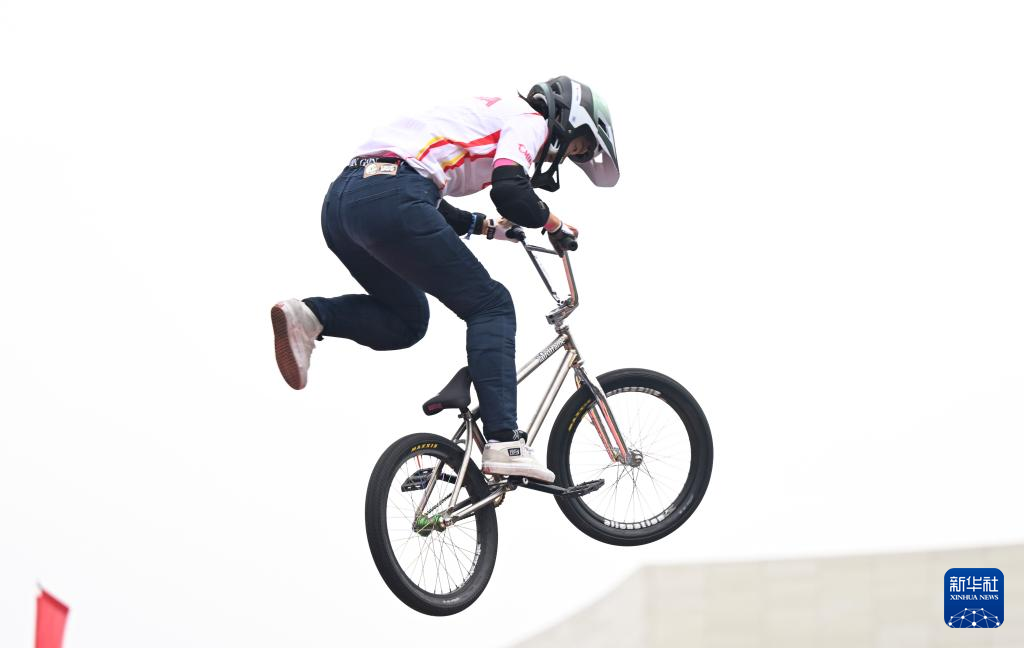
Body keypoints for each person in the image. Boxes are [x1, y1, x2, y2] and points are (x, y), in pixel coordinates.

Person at [271, 76, 619, 483]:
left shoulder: (487, 113)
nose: (566, 156)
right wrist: (554, 224)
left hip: (343, 205)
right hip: (393, 196)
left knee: (407, 321)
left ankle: (311, 316)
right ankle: (504, 441)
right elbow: (510, 191)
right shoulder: (531, 121)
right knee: (492, 305)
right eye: (576, 147)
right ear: (568, 120)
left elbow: (418, 188)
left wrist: (485, 227)